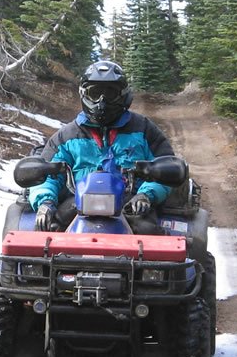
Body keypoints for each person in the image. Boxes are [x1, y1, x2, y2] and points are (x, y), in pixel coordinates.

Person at [28, 60, 175, 234]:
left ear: (123, 95)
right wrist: (46, 202)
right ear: (84, 94)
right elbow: (46, 173)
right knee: (46, 231)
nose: (101, 101)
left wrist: (146, 195)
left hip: (131, 203)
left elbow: (166, 168)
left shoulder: (144, 130)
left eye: (110, 93)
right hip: (78, 202)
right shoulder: (66, 136)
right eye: (95, 93)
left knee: (152, 236)